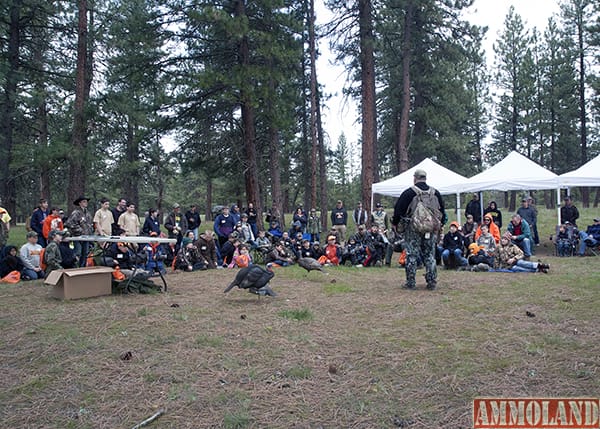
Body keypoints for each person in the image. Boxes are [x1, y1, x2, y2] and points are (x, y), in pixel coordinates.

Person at [391, 168, 445, 290]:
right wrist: (440, 225)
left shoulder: (409, 193)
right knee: (430, 255)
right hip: (430, 229)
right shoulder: (435, 193)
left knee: (411, 255)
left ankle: (411, 282)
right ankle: (431, 282)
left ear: (415, 178)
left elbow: (398, 210)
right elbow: (443, 212)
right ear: (425, 178)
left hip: (413, 228)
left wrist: (395, 223)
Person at [64, 196, 94, 267]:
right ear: (79, 203)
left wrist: (90, 231)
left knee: (85, 253)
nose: (86, 203)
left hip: (86, 237)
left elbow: (89, 224)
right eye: (84, 201)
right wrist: (80, 231)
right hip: (78, 237)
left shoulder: (88, 213)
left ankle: (82, 267)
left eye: (86, 201)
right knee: (78, 253)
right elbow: (70, 223)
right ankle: (75, 267)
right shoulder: (76, 213)